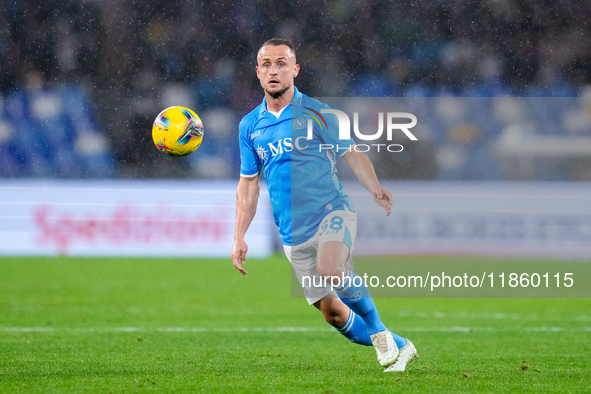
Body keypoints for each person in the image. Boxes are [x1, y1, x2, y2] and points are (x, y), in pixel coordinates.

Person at [231, 38, 417, 372]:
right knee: (333, 314)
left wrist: (374, 188)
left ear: (295, 69)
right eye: (267, 64)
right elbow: (248, 184)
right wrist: (239, 235)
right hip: (292, 234)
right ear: (258, 72)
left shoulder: (319, 112)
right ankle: (400, 344)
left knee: (332, 267)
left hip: (332, 212)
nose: (274, 70)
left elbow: (353, 153)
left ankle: (378, 334)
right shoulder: (249, 126)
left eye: (282, 63)